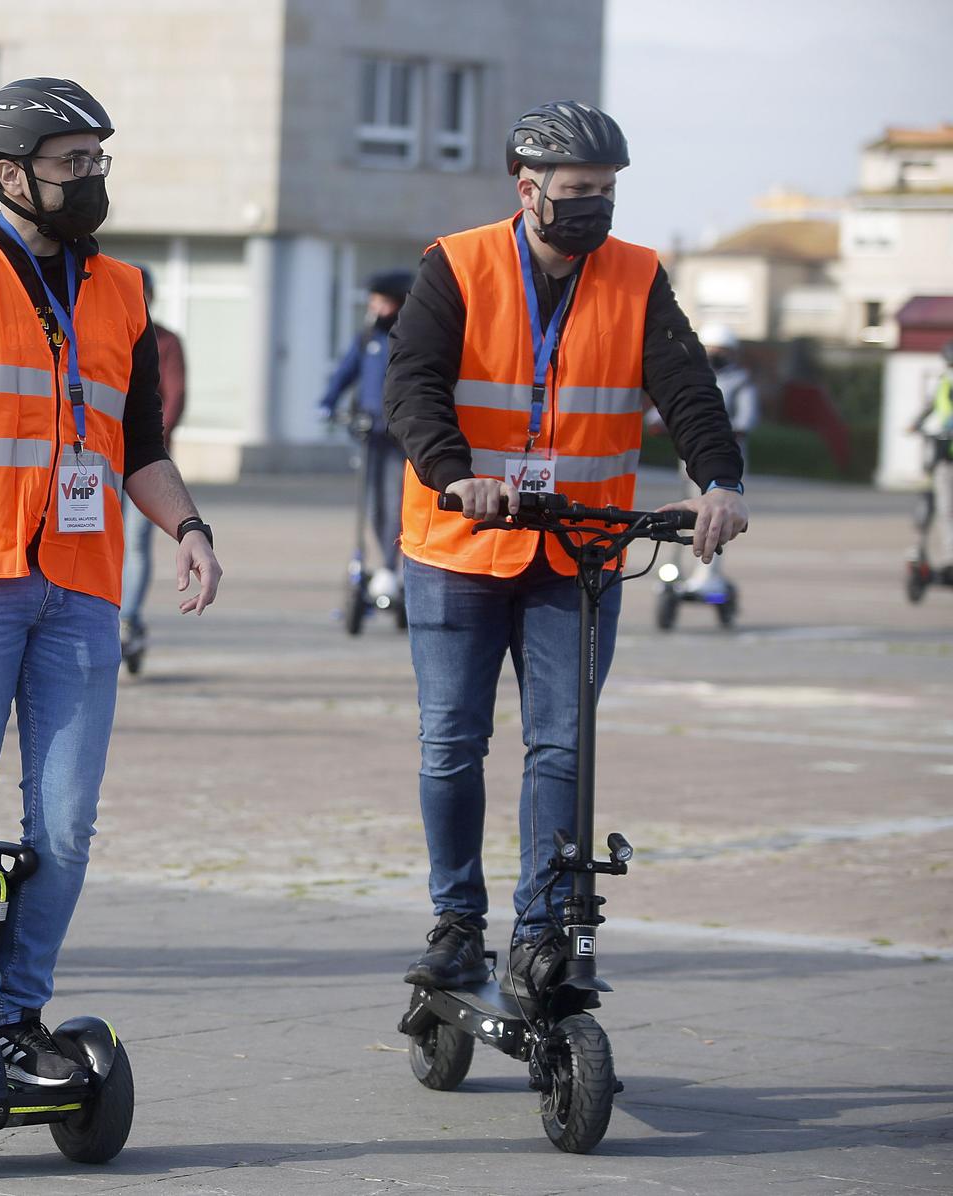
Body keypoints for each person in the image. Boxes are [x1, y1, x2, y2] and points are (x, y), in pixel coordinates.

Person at [0, 78, 222, 1088]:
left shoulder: (119, 288)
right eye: (72, 163)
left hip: (81, 585)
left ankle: (13, 1020)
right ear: (11, 174)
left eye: (97, 160)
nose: (90, 178)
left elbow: (137, 443)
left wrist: (187, 525)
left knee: (63, 820)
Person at [384, 102, 749, 1000]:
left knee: (561, 748)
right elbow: (413, 384)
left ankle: (541, 933)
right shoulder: (459, 265)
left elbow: (687, 385)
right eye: (579, 192)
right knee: (449, 745)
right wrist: (451, 469)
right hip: (459, 540)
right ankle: (457, 924)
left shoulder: (635, 276)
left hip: (579, 550)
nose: (596, 209)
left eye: (608, 192)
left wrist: (720, 480)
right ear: (530, 189)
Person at [318, 270, 414, 597]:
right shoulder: (367, 339)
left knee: (396, 500)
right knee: (372, 503)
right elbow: (345, 372)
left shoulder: (410, 338)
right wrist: (328, 402)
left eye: (382, 301)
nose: (374, 307)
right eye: (373, 301)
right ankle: (383, 564)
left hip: (400, 437)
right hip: (371, 433)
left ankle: (393, 565)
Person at [117, 266, 186, 662]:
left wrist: (148, 440)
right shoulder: (102, 331)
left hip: (147, 462)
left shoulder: (166, 342)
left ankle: (129, 618)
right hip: (102, 461)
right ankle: (106, 615)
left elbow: (174, 396)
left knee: (138, 543)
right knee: (106, 540)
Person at [674, 324, 759, 596]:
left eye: (720, 351)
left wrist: (718, 431)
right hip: (691, 461)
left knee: (717, 518)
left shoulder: (740, 381)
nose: (714, 355)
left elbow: (747, 419)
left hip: (726, 464)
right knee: (686, 517)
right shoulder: (692, 376)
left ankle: (707, 573)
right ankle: (681, 571)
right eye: (709, 350)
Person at [913, 340, 953, 580]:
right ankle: (950, 557)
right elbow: (931, 409)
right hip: (944, 453)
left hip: (945, 453)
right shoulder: (943, 382)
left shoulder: (945, 380)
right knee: (945, 508)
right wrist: (916, 424)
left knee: (946, 508)